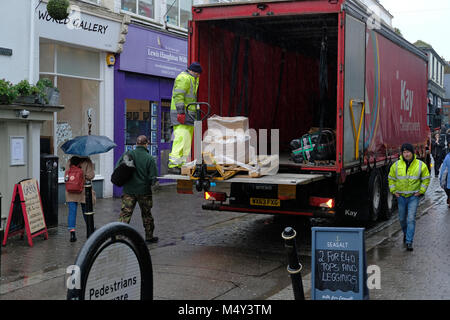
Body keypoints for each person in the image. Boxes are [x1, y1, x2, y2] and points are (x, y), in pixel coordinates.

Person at [388, 143, 430, 251]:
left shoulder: (420, 165)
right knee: (402, 219)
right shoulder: (396, 165)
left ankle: (409, 241)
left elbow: (426, 178)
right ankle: (406, 234)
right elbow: (391, 178)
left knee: (411, 219)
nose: (406, 154)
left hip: (413, 197)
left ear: (412, 152)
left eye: (408, 152)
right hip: (401, 197)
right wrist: (393, 191)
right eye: (404, 152)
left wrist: (421, 191)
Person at [116, 135, 158, 243]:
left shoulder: (128, 154)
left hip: (128, 191)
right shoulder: (149, 158)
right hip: (144, 192)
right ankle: (149, 237)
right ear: (146, 144)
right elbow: (153, 177)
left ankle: (118, 237)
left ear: (136, 144)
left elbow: (118, 168)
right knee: (147, 214)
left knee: (125, 214)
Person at [167, 62, 202, 175]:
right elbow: (179, 96)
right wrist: (181, 112)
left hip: (189, 115)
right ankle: (173, 165)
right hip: (181, 115)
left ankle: (181, 164)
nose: (199, 76)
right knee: (181, 139)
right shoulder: (184, 78)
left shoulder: (192, 79)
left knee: (186, 141)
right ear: (194, 72)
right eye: (198, 73)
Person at [65, 156, 96, 242]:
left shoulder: (70, 160)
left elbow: (66, 175)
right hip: (83, 190)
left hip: (71, 190)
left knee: (72, 211)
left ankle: (72, 234)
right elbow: (90, 176)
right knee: (86, 211)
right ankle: (90, 230)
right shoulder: (87, 161)